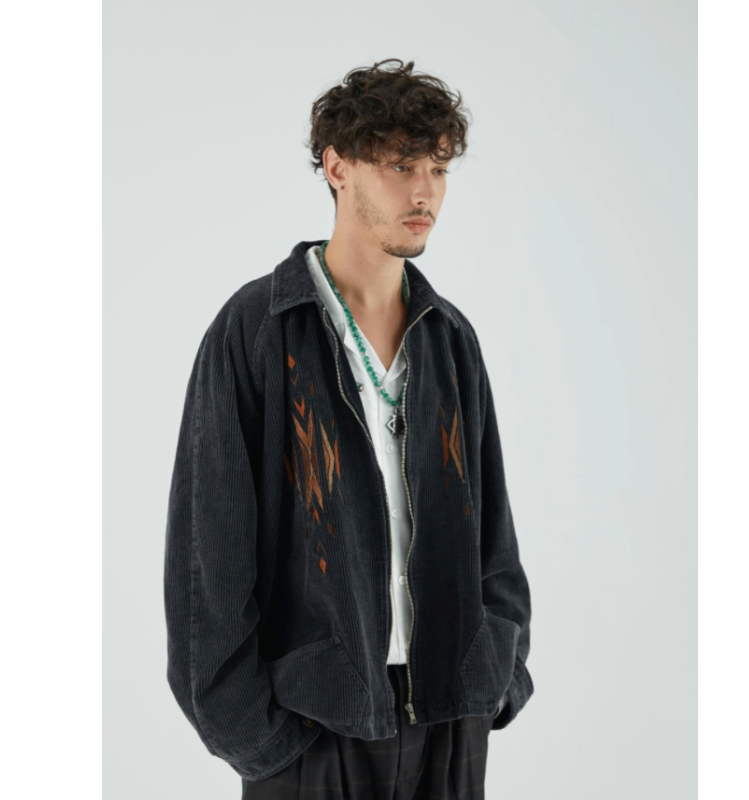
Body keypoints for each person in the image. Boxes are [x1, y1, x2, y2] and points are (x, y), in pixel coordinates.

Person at [164, 58, 534, 799]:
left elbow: (494, 533)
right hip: (310, 722)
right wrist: (258, 738)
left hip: (449, 713)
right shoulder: (257, 330)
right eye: (401, 165)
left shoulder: (449, 339)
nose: (425, 191)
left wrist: (498, 670)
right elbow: (208, 557)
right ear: (337, 168)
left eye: (438, 167)